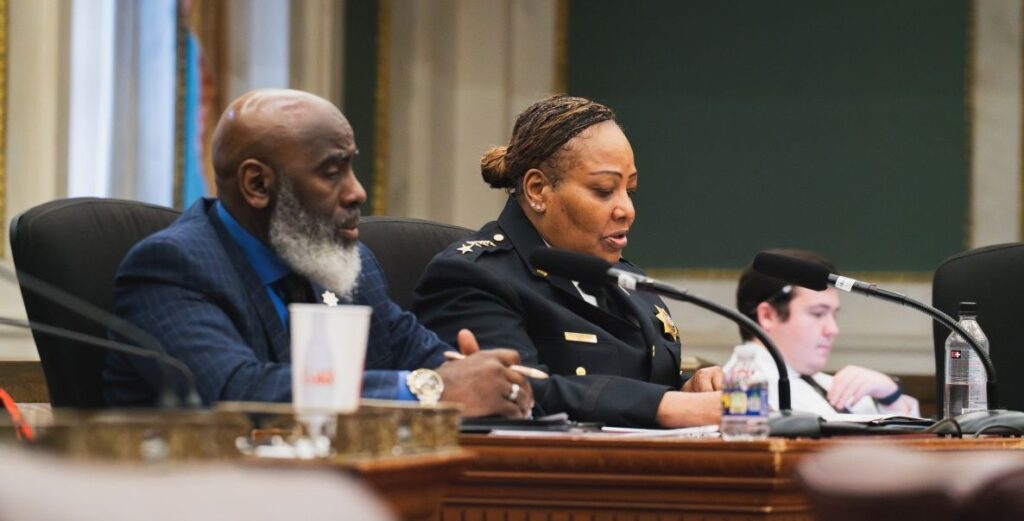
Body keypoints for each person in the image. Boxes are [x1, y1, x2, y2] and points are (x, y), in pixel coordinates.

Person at [103, 88, 532, 418]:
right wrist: (429, 388)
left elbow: (421, 355)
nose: (357, 191)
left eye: (350, 166)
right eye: (332, 172)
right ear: (258, 185)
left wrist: (489, 378)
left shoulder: (350, 266)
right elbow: (237, 394)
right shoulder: (171, 268)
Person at [413, 95, 721, 428]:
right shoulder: (473, 276)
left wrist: (690, 388)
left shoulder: (626, 280)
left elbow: (644, 384)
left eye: (629, 190)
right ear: (537, 190)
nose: (627, 210)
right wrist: (666, 406)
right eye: (604, 190)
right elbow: (513, 394)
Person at [731, 249, 918, 416]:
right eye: (818, 313)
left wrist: (890, 397)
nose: (833, 330)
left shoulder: (835, 386)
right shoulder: (740, 391)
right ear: (768, 316)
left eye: (833, 315)